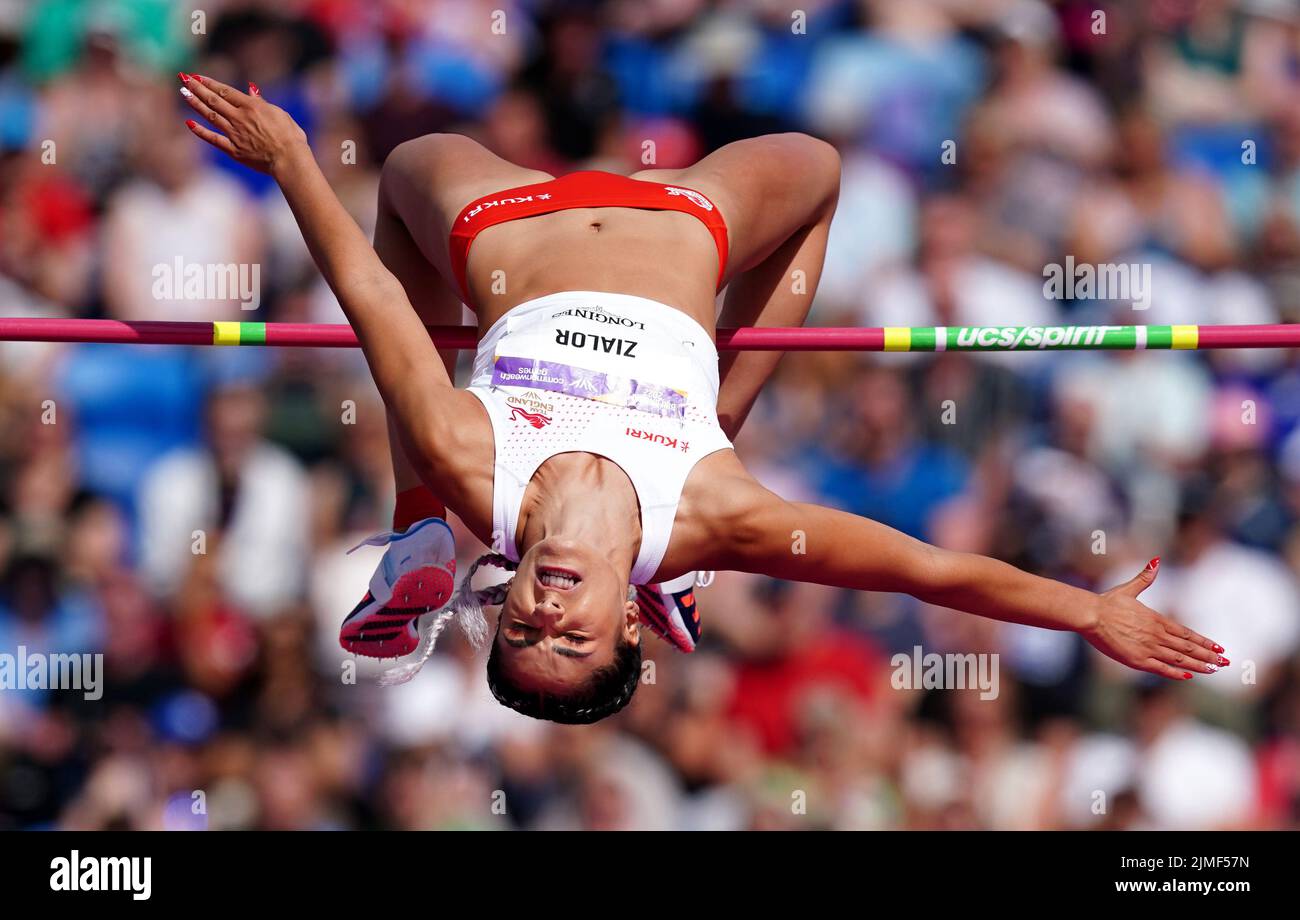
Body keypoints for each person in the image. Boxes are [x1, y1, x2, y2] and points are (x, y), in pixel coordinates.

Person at [177, 74, 1229, 724]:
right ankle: (720, 417)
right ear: (629, 626)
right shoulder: (715, 517)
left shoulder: (471, 465)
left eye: (521, 633)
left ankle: (415, 533)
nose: (545, 614)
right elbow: (927, 569)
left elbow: (372, 300)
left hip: (503, 223)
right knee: (818, 169)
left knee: (403, 168)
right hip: (685, 222)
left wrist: (294, 163)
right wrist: (1085, 607)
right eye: (574, 638)